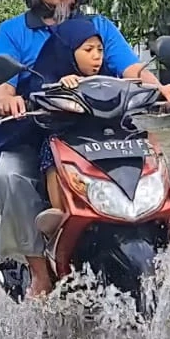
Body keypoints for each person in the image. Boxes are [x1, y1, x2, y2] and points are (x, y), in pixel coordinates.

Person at [0, 0, 170, 302]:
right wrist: (7, 99)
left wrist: (161, 87)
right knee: (8, 177)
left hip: (103, 129)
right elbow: (2, 87)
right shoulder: (13, 31)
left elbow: (133, 68)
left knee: (156, 164)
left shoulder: (100, 27)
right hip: (38, 131)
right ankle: (39, 271)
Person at [31, 17, 120, 237]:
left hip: (103, 135)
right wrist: (61, 85)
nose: (96, 56)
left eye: (100, 49)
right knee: (51, 151)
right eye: (88, 49)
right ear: (68, 50)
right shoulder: (51, 76)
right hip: (66, 136)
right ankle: (59, 211)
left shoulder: (109, 78)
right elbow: (38, 92)